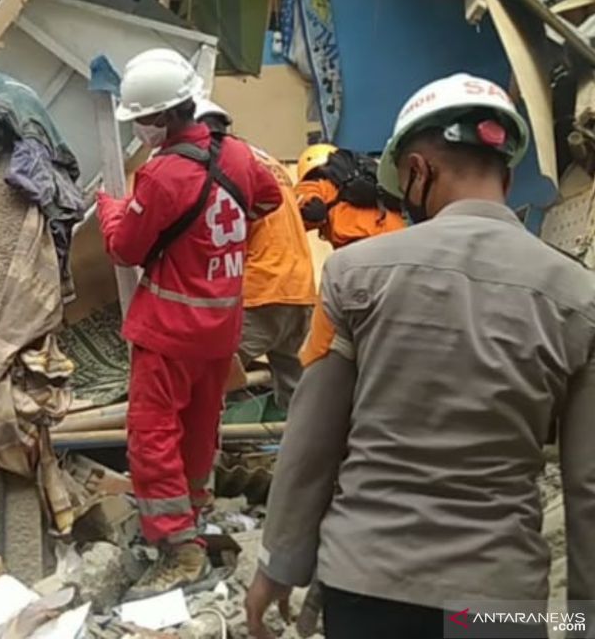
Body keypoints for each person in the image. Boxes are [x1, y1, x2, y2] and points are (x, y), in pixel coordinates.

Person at [245, 73, 595, 639]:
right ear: (505, 175)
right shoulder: (578, 297)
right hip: (497, 603)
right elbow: (588, 483)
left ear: (417, 170)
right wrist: (586, 619)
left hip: (367, 585)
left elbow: (313, 440)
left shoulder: (354, 274)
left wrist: (279, 566)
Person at [97, 49, 282, 597]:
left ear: (159, 119)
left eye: (141, 121)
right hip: (220, 328)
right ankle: (194, 514)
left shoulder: (162, 176)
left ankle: (178, 548)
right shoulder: (240, 156)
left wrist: (112, 206)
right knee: (201, 429)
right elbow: (268, 198)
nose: (140, 131)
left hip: (169, 329)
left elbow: (125, 249)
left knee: (153, 435)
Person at [238, 143, 316, 409]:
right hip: (299, 288)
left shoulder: (226, 163)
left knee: (205, 378)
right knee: (300, 398)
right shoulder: (270, 161)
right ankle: (309, 450)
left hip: (262, 288)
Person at [294, 142, 404, 248]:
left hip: (360, 242)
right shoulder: (373, 178)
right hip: (400, 235)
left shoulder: (316, 184)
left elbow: (307, 208)